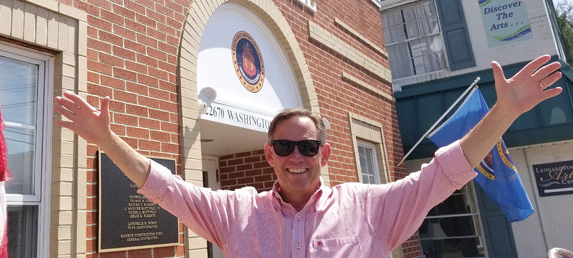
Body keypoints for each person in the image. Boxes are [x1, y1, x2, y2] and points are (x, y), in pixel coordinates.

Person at [54, 55, 562, 257]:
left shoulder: (371, 208)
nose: (297, 156)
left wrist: (504, 112)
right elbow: (163, 187)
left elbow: (447, 170)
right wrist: (105, 141)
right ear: (269, 155)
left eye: (308, 146)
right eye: (285, 147)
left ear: (324, 154)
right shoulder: (236, 213)